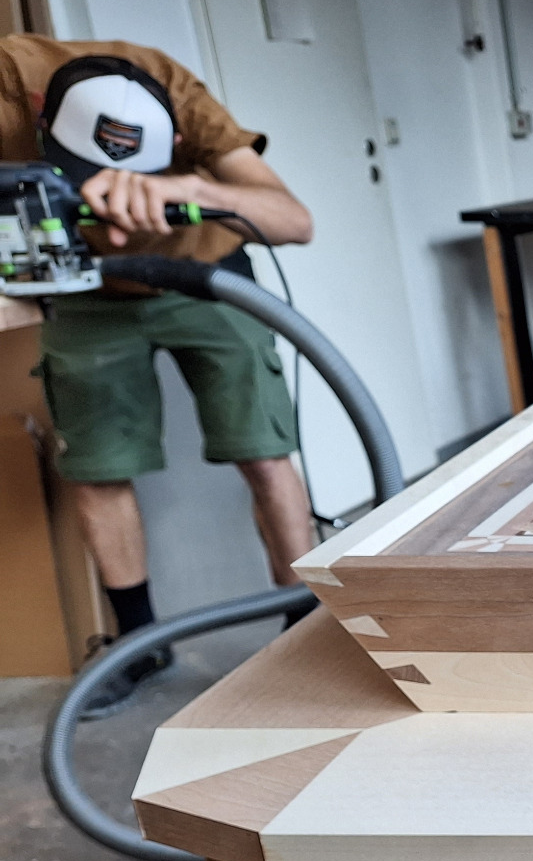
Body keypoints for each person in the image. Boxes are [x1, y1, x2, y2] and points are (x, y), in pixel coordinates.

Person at [0, 36, 315, 715]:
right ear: (42, 121)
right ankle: (138, 643)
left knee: (263, 451)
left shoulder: (182, 99)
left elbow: (295, 221)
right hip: (83, 285)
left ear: (172, 142)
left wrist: (192, 188)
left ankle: (308, 628)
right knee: (96, 465)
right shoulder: (6, 86)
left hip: (206, 271)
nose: (116, 225)